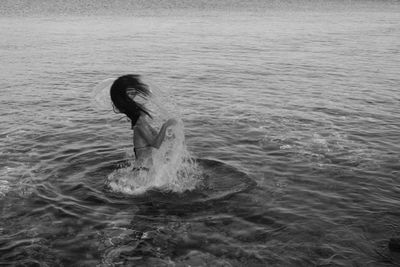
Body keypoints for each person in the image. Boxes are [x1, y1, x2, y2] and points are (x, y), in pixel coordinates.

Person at [110, 74, 176, 168]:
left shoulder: (143, 123)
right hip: (143, 173)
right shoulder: (140, 123)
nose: (144, 106)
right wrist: (166, 125)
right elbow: (155, 144)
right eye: (141, 106)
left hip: (144, 171)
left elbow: (159, 139)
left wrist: (171, 135)